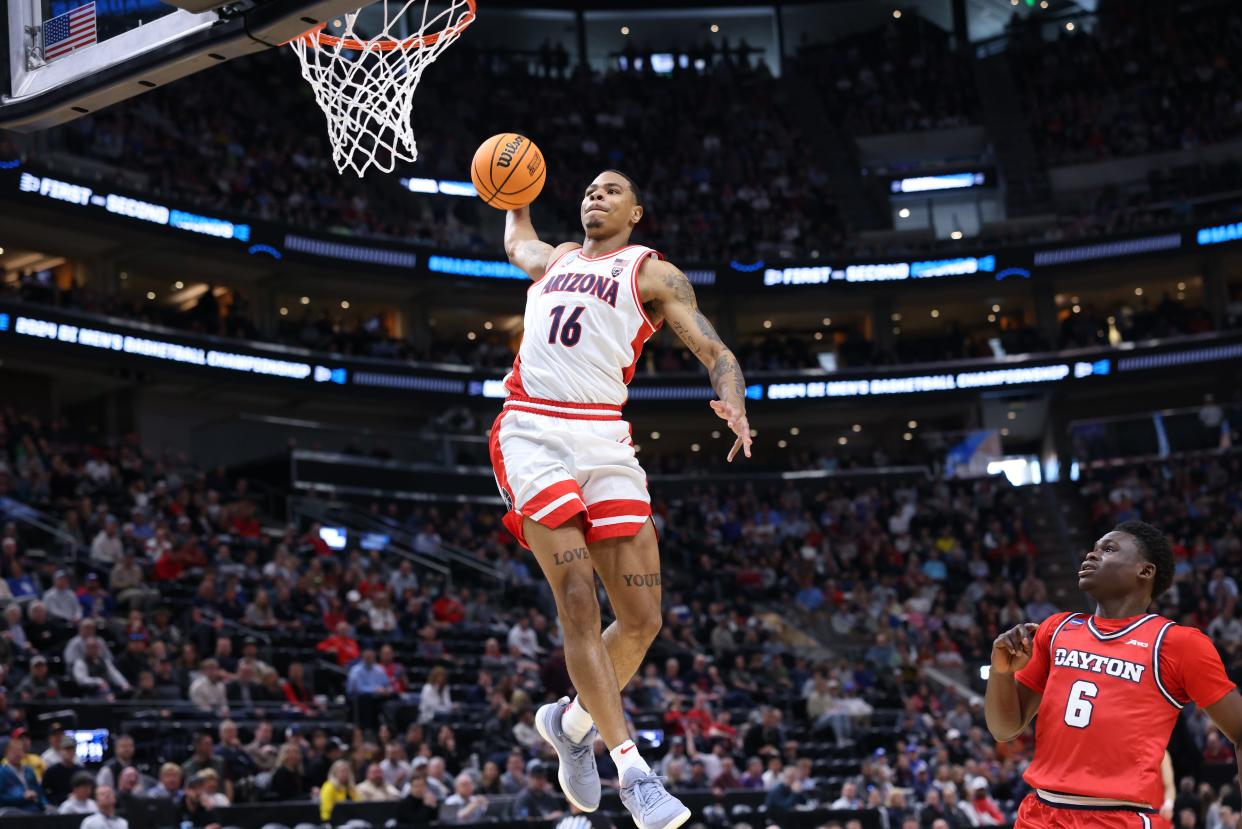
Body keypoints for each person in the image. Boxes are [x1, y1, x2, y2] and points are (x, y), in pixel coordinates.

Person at [494, 170, 752, 829]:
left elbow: (715, 348)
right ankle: (633, 770)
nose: (595, 196)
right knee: (577, 597)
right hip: (532, 428)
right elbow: (517, 240)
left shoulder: (652, 274)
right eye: (588, 190)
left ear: (636, 212)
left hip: (604, 437)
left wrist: (736, 400)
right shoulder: (553, 259)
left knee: (642, 619)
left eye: (611, 190)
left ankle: (570, 720)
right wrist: (512, 193)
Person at [986, 521, 1242, 827]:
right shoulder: (1055, 629)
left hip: (1119, 815)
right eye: (1092, 549)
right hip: (1041, 813)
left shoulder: (1178, 644)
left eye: (1108, 549)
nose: (1091, 556)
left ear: (1145, 572)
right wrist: (1000, 672)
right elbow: (1005, 729)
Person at [0, 734, 47, 813]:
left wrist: (43, 804)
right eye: (13, 751)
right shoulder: (2, 772)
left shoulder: (29, 770)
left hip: (33, 807)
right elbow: (1, 798)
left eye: (20, 750)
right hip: (13, 809)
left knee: (53, 811)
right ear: (6, 754)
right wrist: (22, 797)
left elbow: (39, 791)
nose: (17, 754)